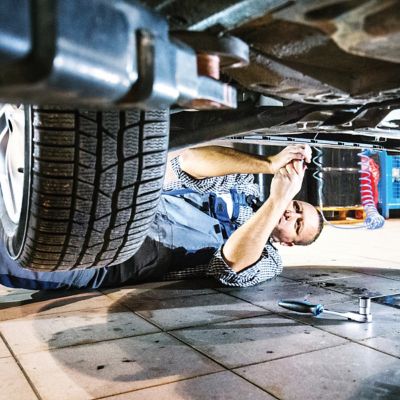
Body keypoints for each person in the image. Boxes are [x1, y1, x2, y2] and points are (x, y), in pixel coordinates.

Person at [0, 144, 323, 290]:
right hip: (101, 207)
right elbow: (190, 162)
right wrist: (268, 164)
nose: (291, 212)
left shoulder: (267, 259)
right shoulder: (244, 186)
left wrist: (280, 196)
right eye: (297, 207)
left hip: (101, 260)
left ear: (290, 243)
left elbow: (232, 264)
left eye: (298, 223)